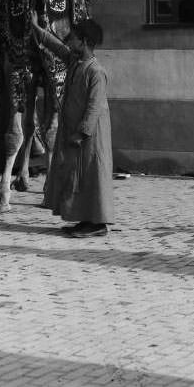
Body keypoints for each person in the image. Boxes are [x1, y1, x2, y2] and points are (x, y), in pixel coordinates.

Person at [33, 16, 114, 238]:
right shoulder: (75, 62)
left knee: (91, 175)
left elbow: (94, 107)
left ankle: (97, 223)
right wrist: (37, 29)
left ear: (85, 42)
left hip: (91, 137)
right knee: (77, 176)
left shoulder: (96, 71)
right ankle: (85, 219)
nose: (70, 42)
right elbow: (57, 47)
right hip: (75, 133)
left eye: (75, 38)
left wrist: (82, 132)